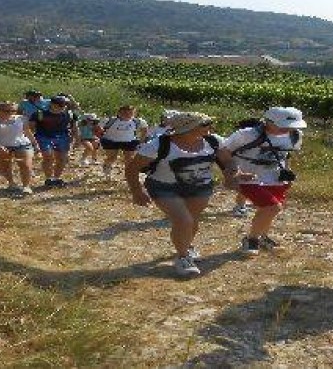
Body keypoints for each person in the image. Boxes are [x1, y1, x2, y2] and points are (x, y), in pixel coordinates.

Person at [125, 111, 229, 277]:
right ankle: (183, 257)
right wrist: (136, 191)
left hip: (200, 187)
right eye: (204, 124)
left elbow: (228, 161)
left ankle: (186, 246)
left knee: (192, 221)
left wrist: (234, 175)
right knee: (184, 220)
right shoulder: (158, 145)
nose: (210, 127)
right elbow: (132, 168)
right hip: (164, 187)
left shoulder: (213, 141)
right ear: (187, 128)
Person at [219, 106, 306, 256]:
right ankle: (251, 239)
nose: (287, 129)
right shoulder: (246, 135)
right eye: (283, 126)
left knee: (268, 210)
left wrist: (288, 174)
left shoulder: (295, 135)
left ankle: (263, 237)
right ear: (268, 122)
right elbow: (223, 151)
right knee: (272, 207)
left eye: (291, 126)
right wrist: (234, 172)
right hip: (249, 178)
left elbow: (286, 156)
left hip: (276, 179)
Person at [0, 101, 39, 194]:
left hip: (22, 144)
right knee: (5, 166)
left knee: (26, 165)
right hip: (1, 145)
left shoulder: (21, 118)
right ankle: (11, 183)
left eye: (13, 111)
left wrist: (35, 144)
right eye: (6, 111)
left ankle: (26, 186)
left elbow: (27, 132)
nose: (10, 113)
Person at [29, 95, 79, 187]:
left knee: (61, 159)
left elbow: (74, 128)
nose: (61, 107)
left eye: (63, 105)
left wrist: (77, 139)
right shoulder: (39, 114)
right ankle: (48, 178)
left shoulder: (70, 114)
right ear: (51, 104)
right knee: (48, 157)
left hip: (62, 137)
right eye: (59, 105)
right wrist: (31, 141)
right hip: (43, 137)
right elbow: (30, 128)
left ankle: (56, 178)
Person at [99, 105, 149, 179]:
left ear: (134, 113)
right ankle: (107, 166)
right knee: (112, 158)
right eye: (125, 113)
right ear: (119, 113)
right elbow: (97, 127)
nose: (127, 115)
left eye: (130, 113)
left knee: (129, 159)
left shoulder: (138, 121)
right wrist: (99, 135)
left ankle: (128, 174)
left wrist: (142, 140)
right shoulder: (110, 120)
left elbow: (145, 129)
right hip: (111, 141)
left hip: (129, 141)